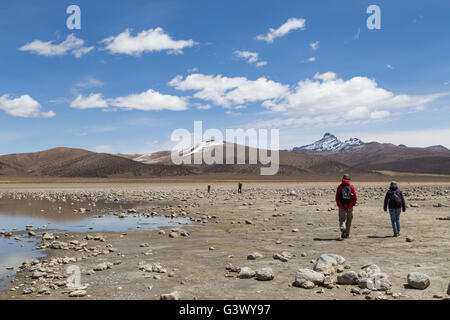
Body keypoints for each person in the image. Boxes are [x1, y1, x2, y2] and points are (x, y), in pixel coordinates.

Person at [336, 174, 357, 240]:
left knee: (342, 218)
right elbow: (355, 197)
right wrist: (353, 204)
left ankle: (343, 227)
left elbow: (337, 197)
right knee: (349, 219)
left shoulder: (340, 187)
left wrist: (338, 204)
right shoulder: (351, 187)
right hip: (350, 206)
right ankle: (347, 234)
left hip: (341, 206)